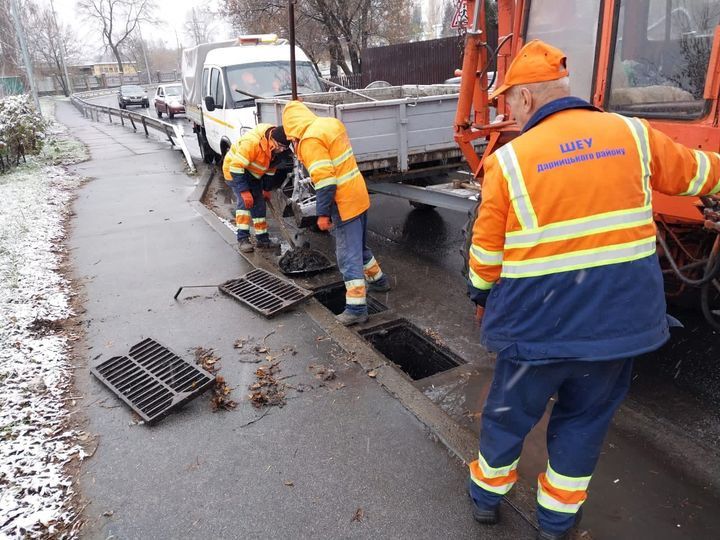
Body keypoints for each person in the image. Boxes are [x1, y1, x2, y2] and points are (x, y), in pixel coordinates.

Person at [466, 39, 720, 540]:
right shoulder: (633, 134)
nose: (507, 112)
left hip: (535, 331)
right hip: (615, 329)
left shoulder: (510, 162)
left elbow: (485, 256)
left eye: (506, 102)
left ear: (525, 99)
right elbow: (699, 173)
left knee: (507, 416)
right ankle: (556, 522)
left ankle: (485, 499)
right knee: (583, 423)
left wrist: (480, 295)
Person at [280, 101, 391, 326]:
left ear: (291, 127)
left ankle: (356, 308)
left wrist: (322, 214)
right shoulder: (329, 124)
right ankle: (379, 281)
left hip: (344, 202)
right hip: (358, 194)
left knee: (347, 255)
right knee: (358, 246)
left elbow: (326, 181)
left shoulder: (310, 141)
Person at [222, 124, 290, 252]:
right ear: (272, 140)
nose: (281, 150)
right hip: (234, 172)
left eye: (284, 147)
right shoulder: (252, 144)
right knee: (246, 203)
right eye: (280, 146)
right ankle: (243, 239)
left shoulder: (276, 149)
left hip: (252, 174)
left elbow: (270, 169)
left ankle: (263, 240)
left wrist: (266, 189)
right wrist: (244, 191)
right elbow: (236, 167)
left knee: (259, 205)